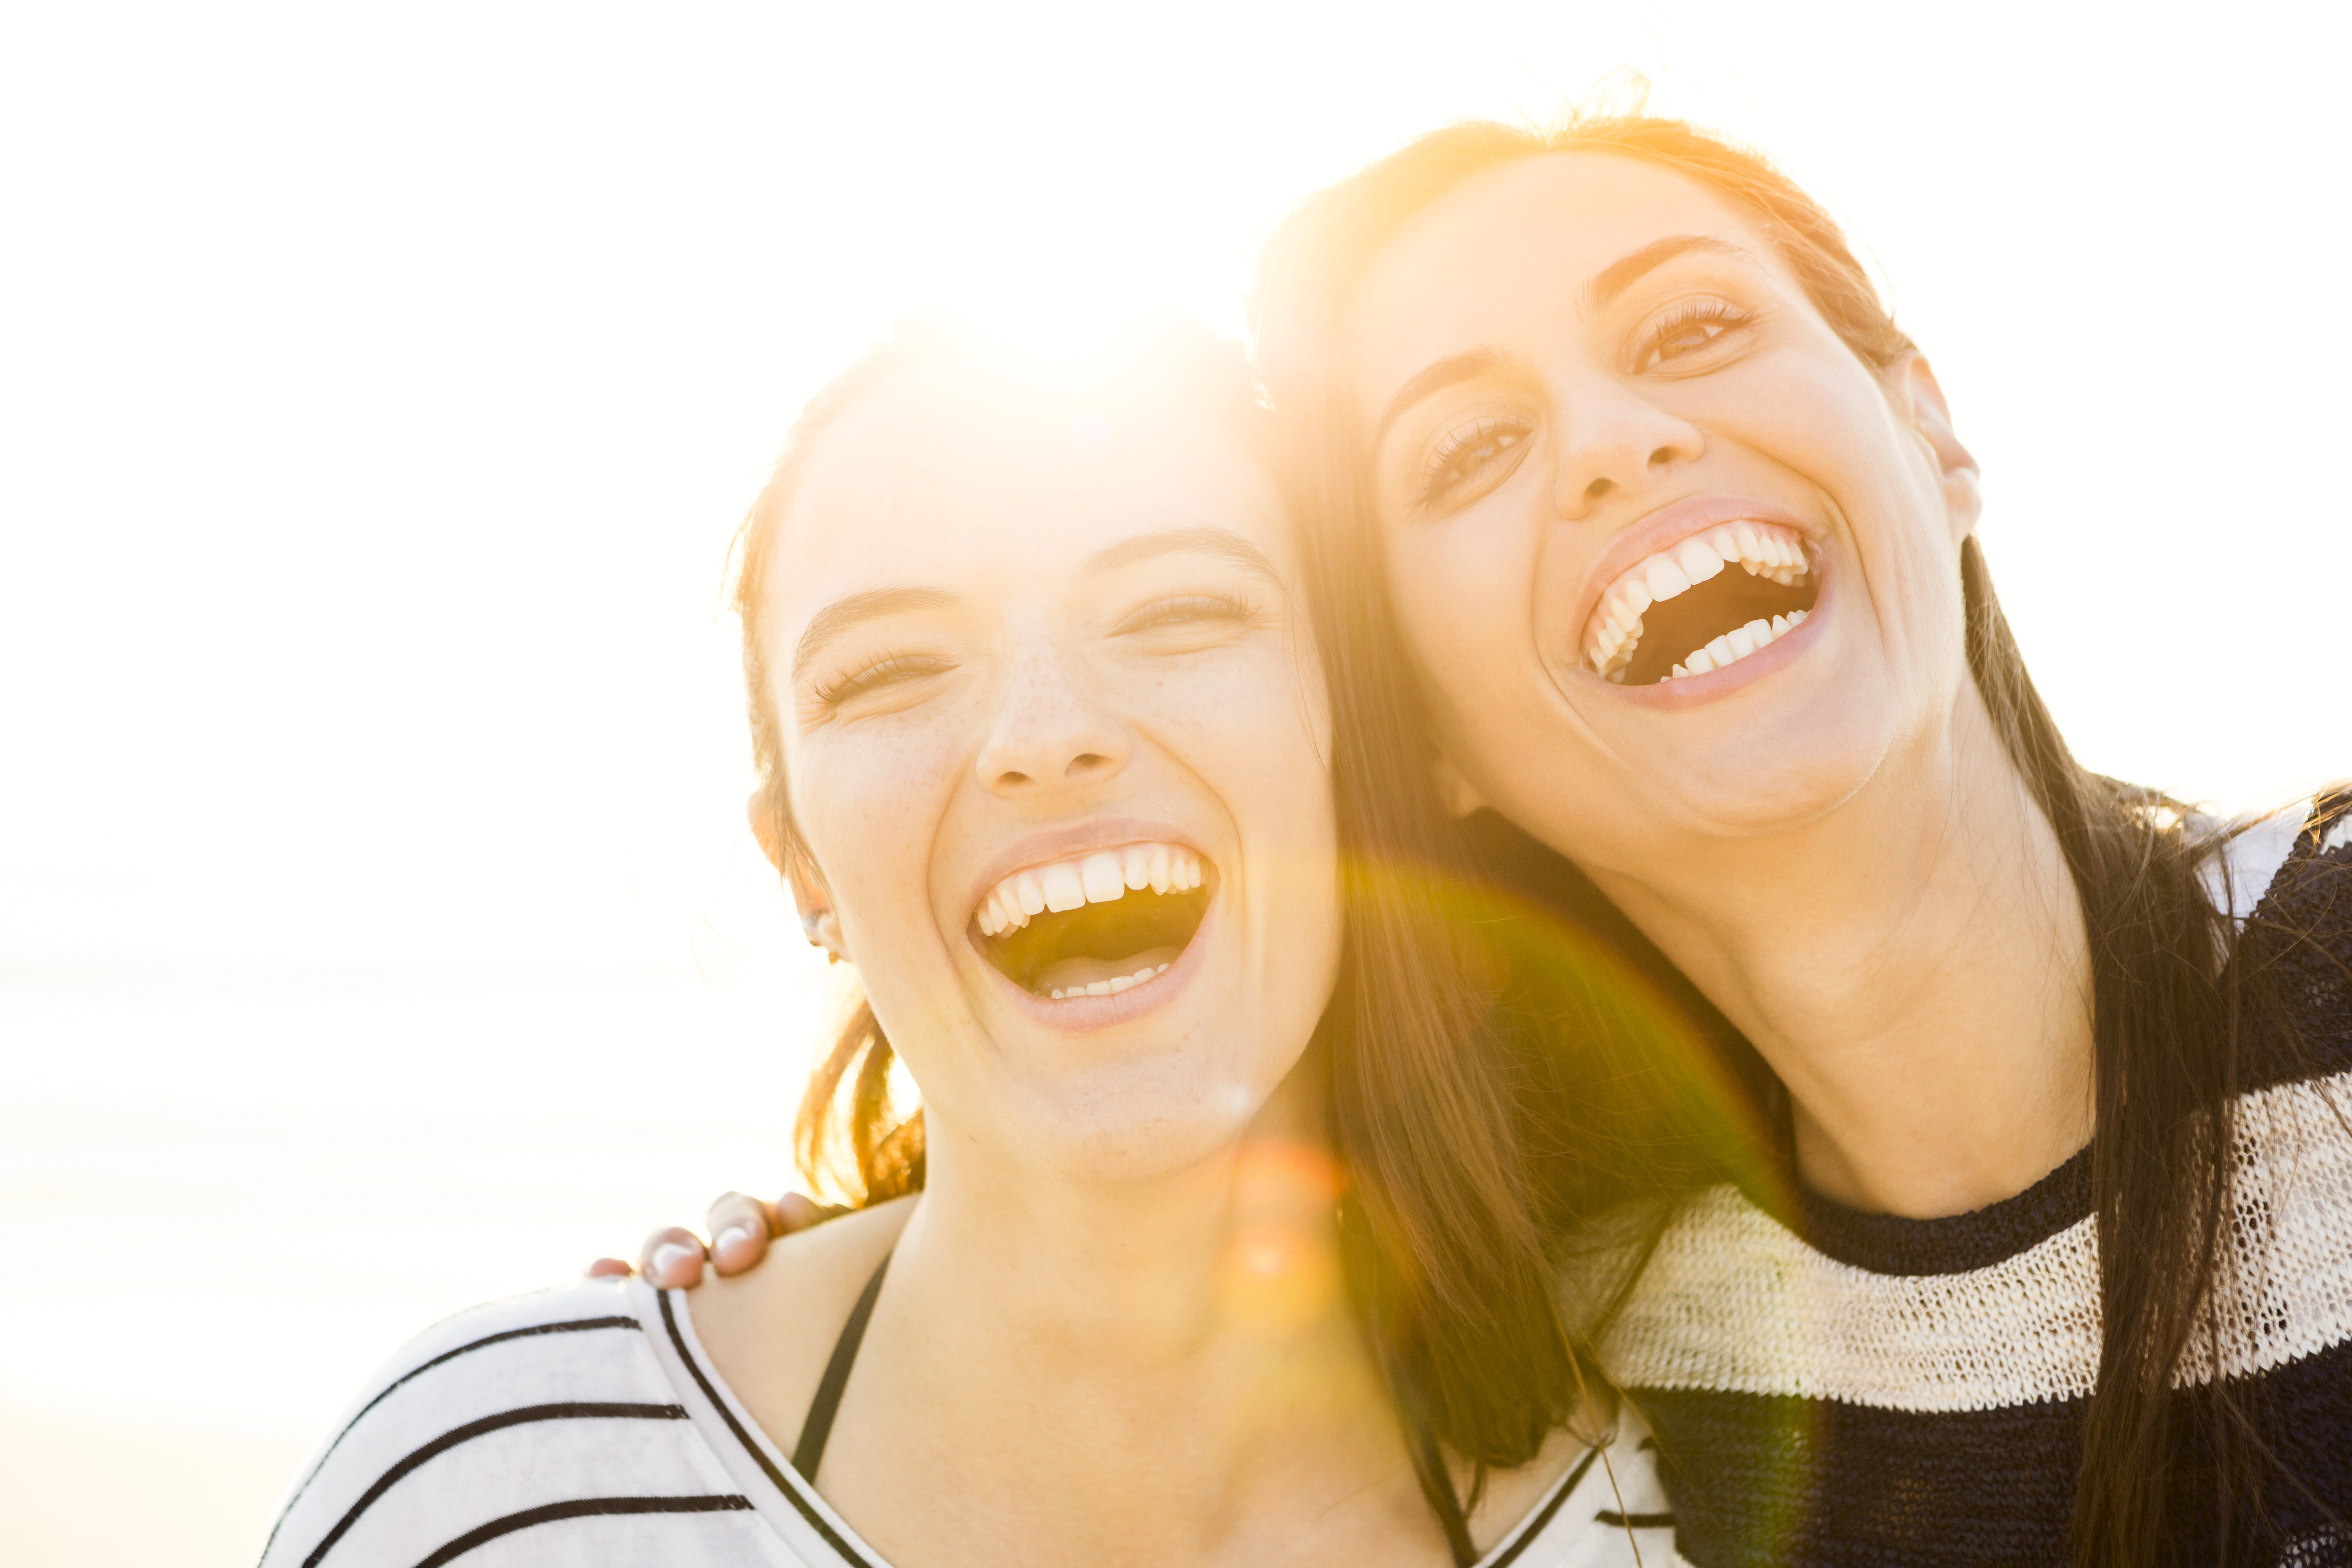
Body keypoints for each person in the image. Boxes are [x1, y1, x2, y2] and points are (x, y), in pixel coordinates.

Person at [635, 116, 2352, 1566]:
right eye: (1471, 449)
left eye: (1687, 333)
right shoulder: (1595, 1334)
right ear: (1431, 739)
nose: (1621, 445)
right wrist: (739, 1321)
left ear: (1931, 426)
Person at [259, 322, 1683, 1568]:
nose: (1045, 733)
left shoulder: (1678, 1504)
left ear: (1359, 754)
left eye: (1181, 611)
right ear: (803, 863)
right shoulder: (499, 1498)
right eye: (887, 672)